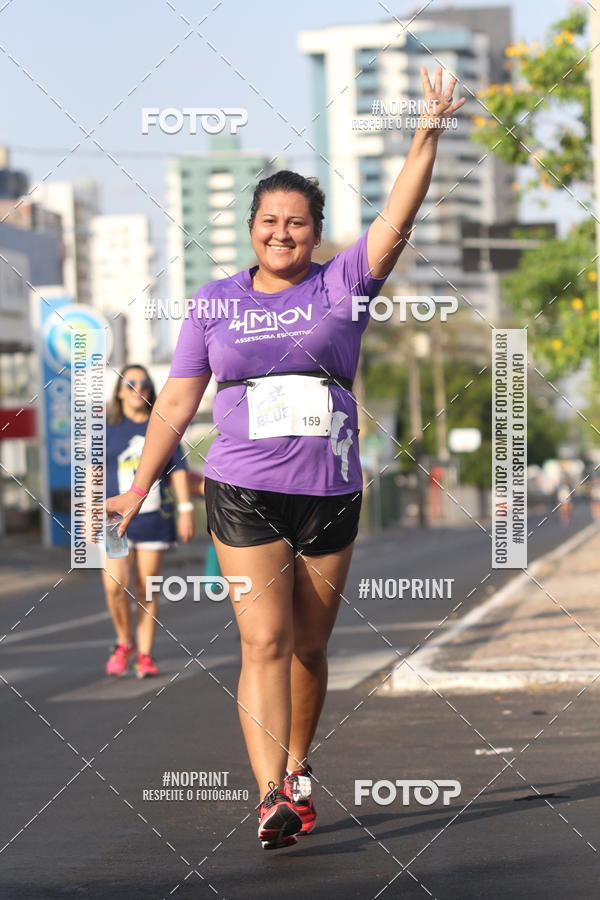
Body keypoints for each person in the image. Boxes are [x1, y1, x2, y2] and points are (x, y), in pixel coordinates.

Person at [107, 66, 464, 848]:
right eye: (270, 221)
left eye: (297, 222)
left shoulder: (345, 284)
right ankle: (271, 792)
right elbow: (175, 403)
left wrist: (426, 137)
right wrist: (137, 489)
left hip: (329, 489)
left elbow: (396, 223)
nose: (282, 233)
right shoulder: (213, 303)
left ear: (316, 228)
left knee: (309, 644)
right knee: (261, 641)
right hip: (241, 489)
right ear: (252, 226)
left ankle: (300, 766)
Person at [104, 364, 193, 678]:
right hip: (114, 519)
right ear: (119, 392)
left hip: (154, 518)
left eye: (143, 383)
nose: (136, 388)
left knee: (146, 588)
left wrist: (185, 509)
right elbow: (93, 474)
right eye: (129, 384)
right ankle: (124, 641)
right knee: (115, 585)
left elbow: (179, 470)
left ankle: (144, 654)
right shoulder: (108, 428)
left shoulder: (162, 425)